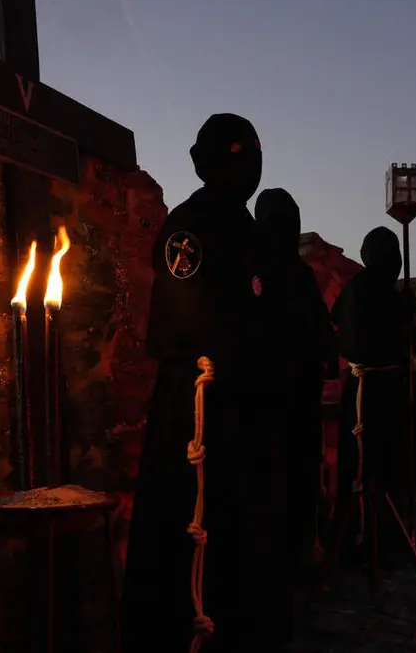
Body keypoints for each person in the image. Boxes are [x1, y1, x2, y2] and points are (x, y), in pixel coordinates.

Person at [121, 114, 290, 652]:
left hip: (246, 403)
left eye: (253, 159)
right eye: (238, 159)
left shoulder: (249, 231)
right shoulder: (189, 226)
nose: (248, 171)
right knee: (194, 521)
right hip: (201, 401)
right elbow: (191, 319)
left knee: (244, 530)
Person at [254, 188, 338, 585]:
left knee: (298, 481)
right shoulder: (260, 272)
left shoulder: (297, 274)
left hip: (295, 400)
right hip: (271, 402)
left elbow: (319, 330)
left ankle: (297, 555)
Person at [328, 226, 414, 566]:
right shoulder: (387, 295)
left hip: (360, 388)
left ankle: (364, 536)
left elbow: (337, 319)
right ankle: (373, 538)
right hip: (382, 391)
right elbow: (405, 343)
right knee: (376, 464)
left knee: (361, 465)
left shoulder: (354, 287)